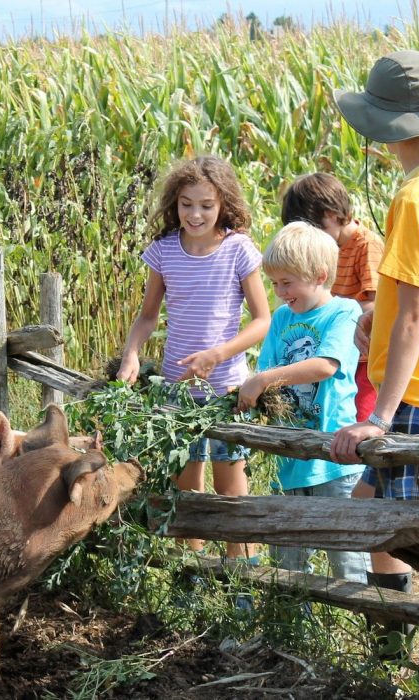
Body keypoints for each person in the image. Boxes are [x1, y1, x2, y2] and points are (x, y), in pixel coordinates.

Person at [116, 155, 270, 559]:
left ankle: (241, 585)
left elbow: (262, 320)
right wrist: (131, 354)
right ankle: (194, 580)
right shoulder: (164, 251)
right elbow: (148, 316)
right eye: (187, 204)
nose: (195, 214)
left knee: (231, 492)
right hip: (177, 395)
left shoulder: (238, 249)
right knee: (186, 492)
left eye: (206, 205)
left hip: (226, 393)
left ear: (223, 204)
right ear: (175, 204)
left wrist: (219, 354)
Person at [329, 50, 419, 604]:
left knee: (410, 535)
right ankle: (392, 643)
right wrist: (380, 310)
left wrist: (382, 417)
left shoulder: (417, 198)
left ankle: (408, 654)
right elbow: (416, 296)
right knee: (370, 510)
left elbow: (417, 313)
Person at [237, 222, 370, 583]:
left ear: (319, 276)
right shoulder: (281, 318)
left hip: (334, 456)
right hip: (291, 454)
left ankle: (365, 629)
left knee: (347, 556)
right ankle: (290, 630)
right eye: (275, 283)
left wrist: (263, 380)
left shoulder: (343, 312)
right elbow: (266, 366)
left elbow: (325, 365)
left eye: (287, 282)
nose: (280, 293)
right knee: (288, 559)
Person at [281, 172, 384, 423]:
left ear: (332, 215)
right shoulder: (329, 248)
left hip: (363, 359)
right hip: (331, 351)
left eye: (316, 229)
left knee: (359, 420)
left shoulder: (366, 245)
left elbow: (373, 304)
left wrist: (331, 313)